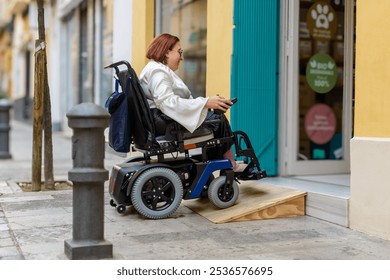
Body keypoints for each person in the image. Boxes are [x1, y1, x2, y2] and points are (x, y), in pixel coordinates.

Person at [139, 33, 246, 172]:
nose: (182, 57)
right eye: (179, 52)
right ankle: (230, 164)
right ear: (166, 53)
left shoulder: (156, 69)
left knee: (213, 116)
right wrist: (205, 103)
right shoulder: (157, 71)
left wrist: (206, 103)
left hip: (159, 119)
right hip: (163, 123)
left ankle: (223, 162)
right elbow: (166, 102)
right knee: (218, 120)